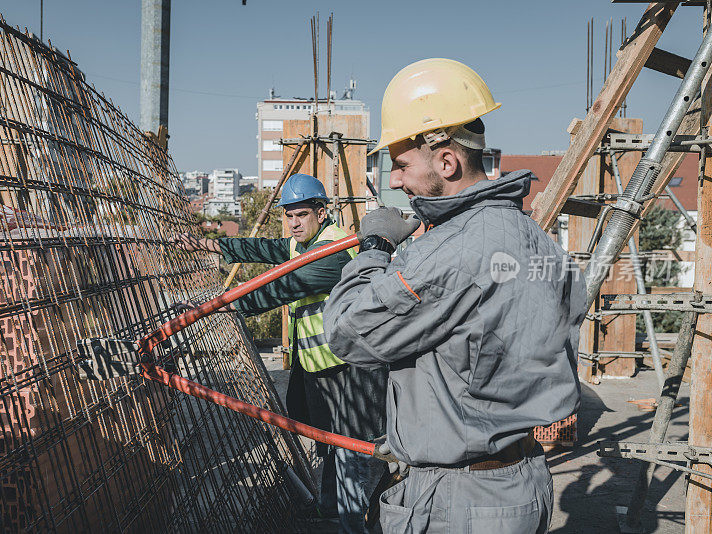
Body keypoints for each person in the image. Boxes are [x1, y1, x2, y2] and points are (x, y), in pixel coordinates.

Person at [322, 58, 584, 533]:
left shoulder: (460, 248)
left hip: (460, 499)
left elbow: (346, 331)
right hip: (519, 480)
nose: (396, 180)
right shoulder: (530, 235)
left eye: (401, 165)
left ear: (447, 161)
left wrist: (376, 248)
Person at [173, 173, 388, 533]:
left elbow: (285, 286)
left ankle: (352, 524)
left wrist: (219, 307)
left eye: (301, 214)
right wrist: (203, 245)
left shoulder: (335, 250)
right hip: (319, 365)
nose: (293, 223)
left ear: (321, 212)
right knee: (327, 442)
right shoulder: (301, 243)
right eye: (289, 215)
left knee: (350, 449)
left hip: (348, 368)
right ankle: (331, 508)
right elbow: (262, 249)